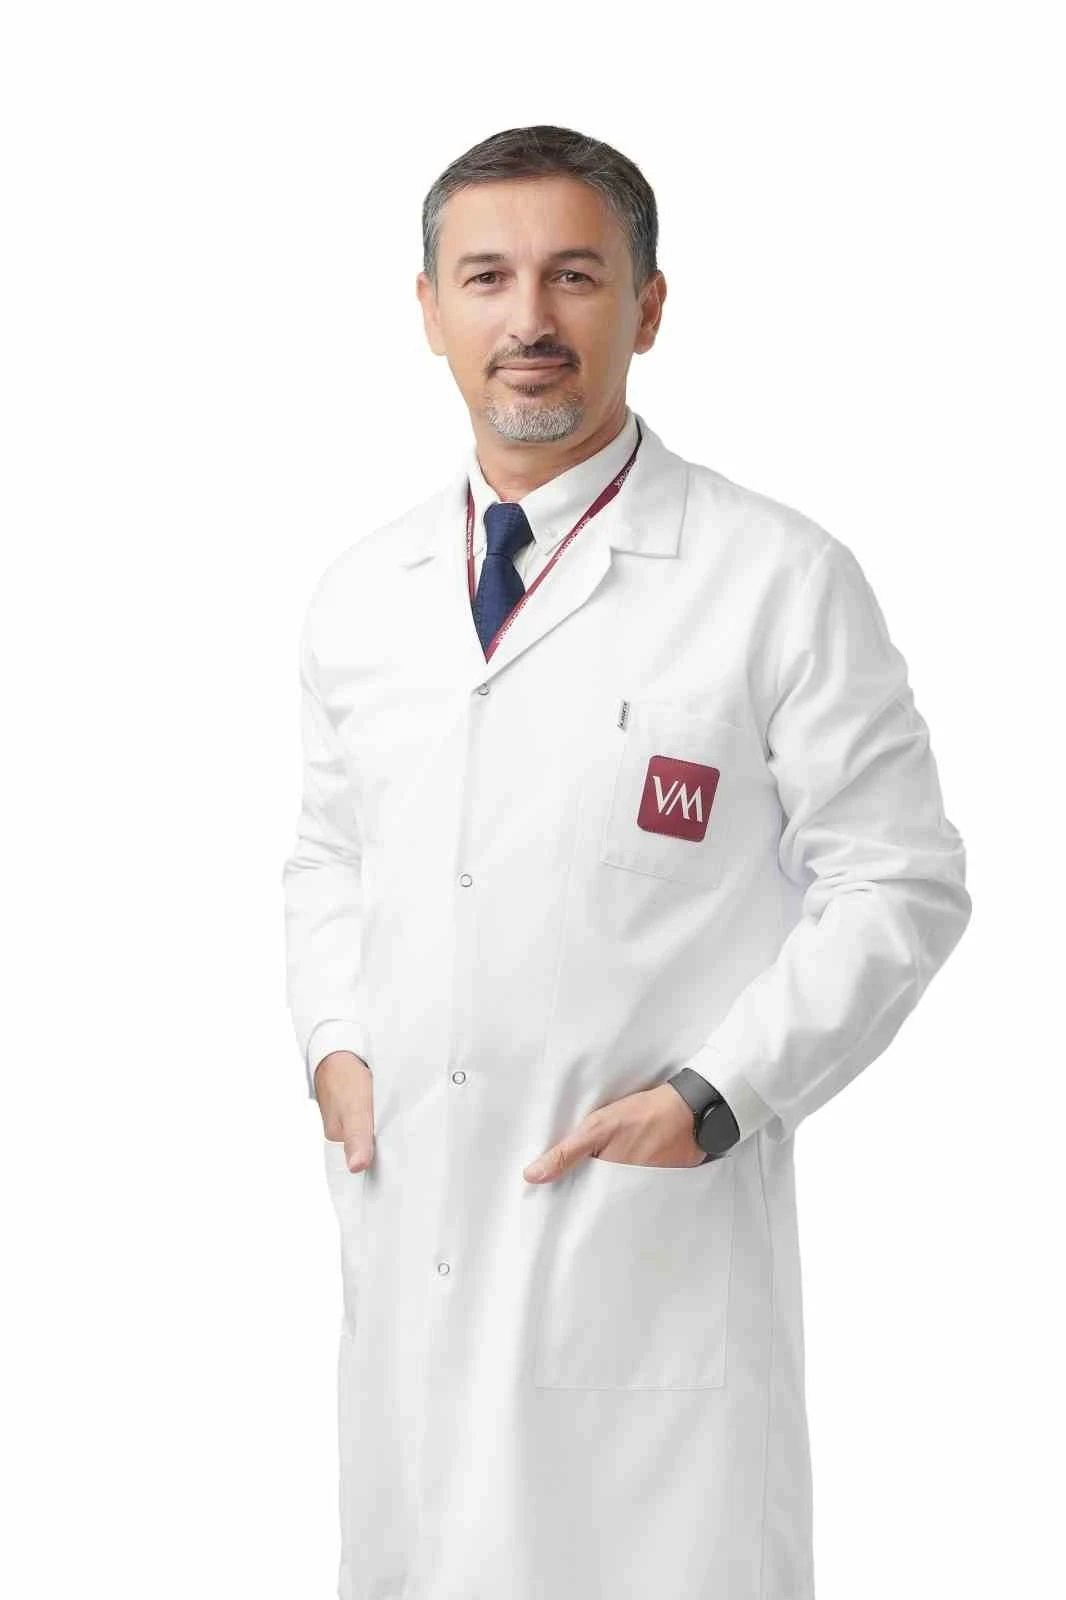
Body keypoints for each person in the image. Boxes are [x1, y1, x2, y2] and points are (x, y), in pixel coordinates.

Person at [281, 123, 971, 1600]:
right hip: (413, 1245)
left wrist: (717, 1096)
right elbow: (330, 852)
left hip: (643, 1273)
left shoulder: (774, 579)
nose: (527, 318)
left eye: (575, 276)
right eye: (487, 277)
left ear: (648, 308)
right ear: (428, 311)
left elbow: (899, 878)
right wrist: (335, 1042)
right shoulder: (362, 595)